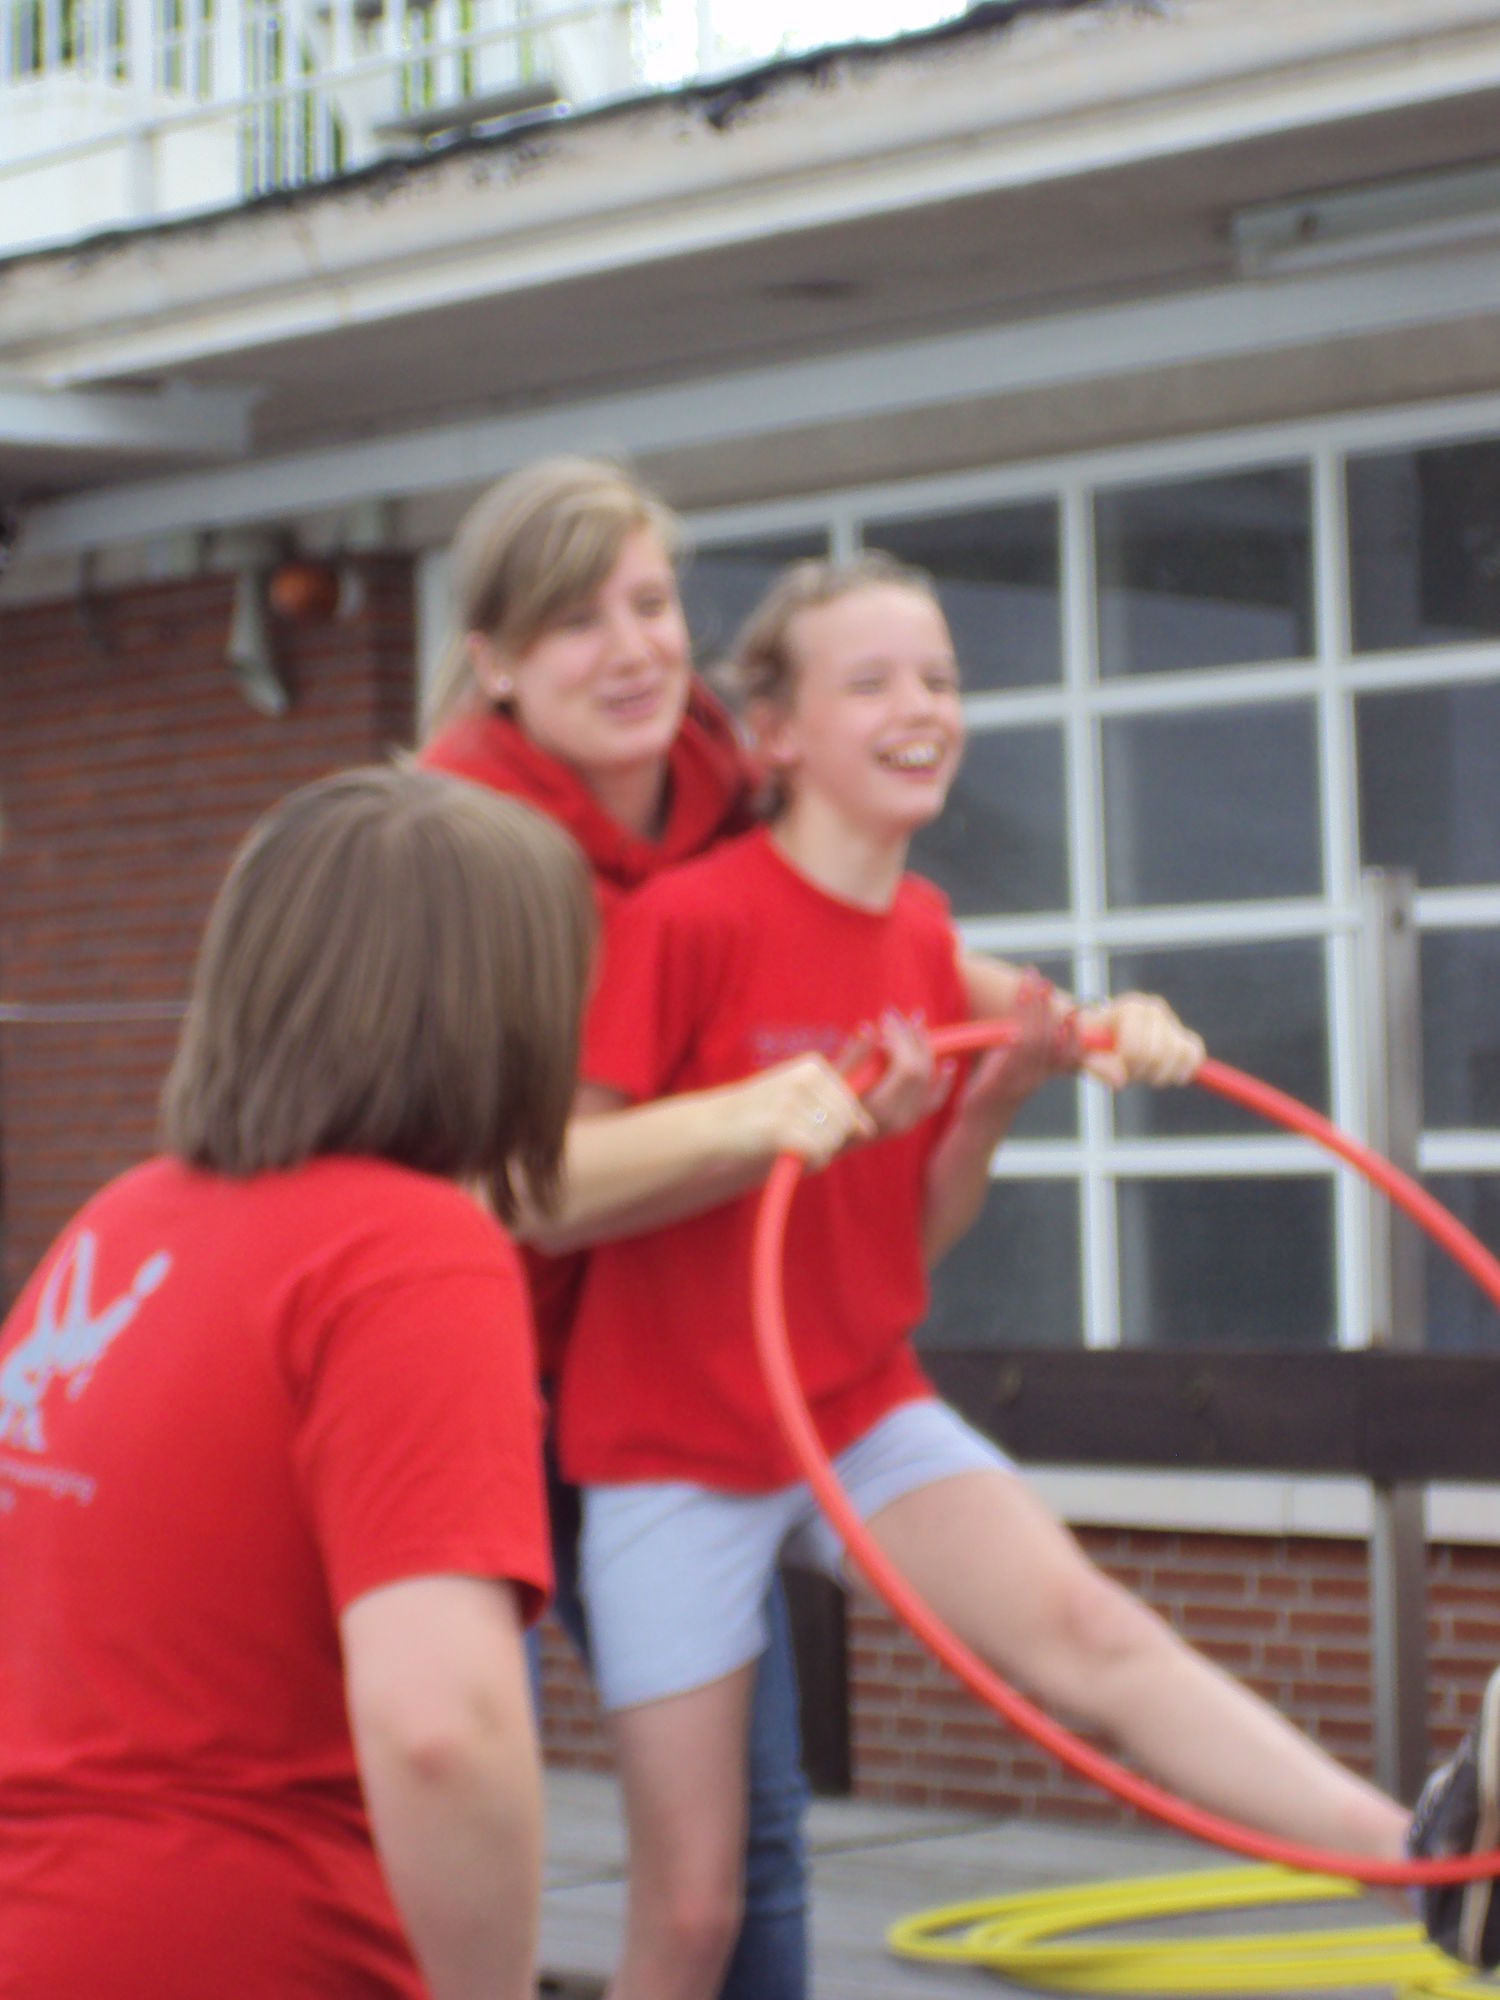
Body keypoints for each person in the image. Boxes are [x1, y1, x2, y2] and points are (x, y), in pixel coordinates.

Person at [556, 553, 1421, 2000]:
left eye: (944, 680)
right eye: (874, 681)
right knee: (693, 1913)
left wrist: (1021, 1089)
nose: (923, 708)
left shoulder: (922, 937)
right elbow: (569, 1188)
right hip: (669, 1446)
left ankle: (1418, 1867)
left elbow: (904, 1245)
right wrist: (771, 1129)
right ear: (772, 733)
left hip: (853, 1403)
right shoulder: (688, 923)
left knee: (1095, 1634)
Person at [417, 460, 1205, 2000]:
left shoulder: (714, 766)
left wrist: (1073, 1023)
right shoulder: (457, 845)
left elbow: (881, 934)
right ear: (497, 661)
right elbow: (502, 1179)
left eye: (651, 603)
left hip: (658, 1370)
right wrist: (763, 1108)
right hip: (465, 1369)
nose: (635, 648)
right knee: (465, 1786)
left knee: (748, 1840)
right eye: (577, 622)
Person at [0, 766, 594, 2000]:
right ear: (510, 1015)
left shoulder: (120, 1222)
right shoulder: (408, 1255)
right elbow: (444, 1728)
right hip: (232, 1942)